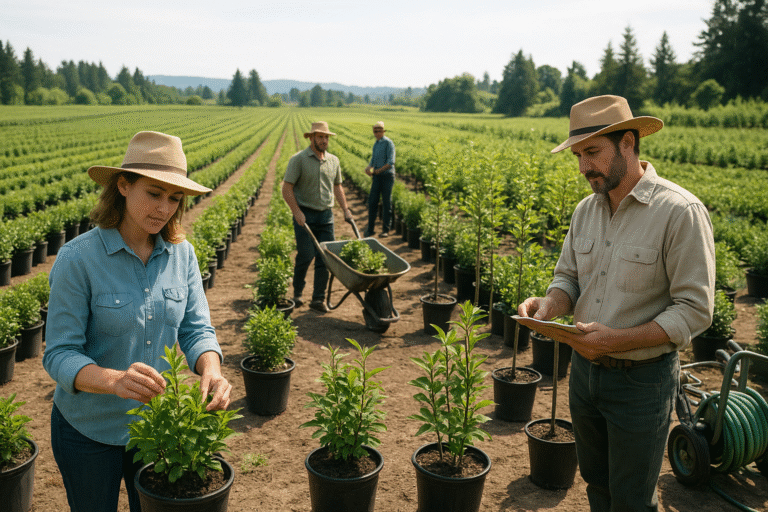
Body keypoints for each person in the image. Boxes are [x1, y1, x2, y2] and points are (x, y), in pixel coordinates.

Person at [516, 95, 714, 512]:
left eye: (592, 152)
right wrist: (548, 306)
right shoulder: (586, 210)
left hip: (641, 383)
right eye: (578, 155)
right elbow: (568, 278)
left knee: (632, 500)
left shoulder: (679, 212)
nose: (584, 166)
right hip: (585, 377)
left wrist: (618, 340)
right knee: (597, 484)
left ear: (628, 142)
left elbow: (694, 309)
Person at [42, 131, 233, 512]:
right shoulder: (78, 259)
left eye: (175, 198)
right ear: (124, 186)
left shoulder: (182, 255)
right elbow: (59, 353)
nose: (164, 208)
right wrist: (114, 380)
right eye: (154, 193)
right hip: (88, 429)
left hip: (155, 428)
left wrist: (211, 369)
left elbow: (196, 328)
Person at [282, 121, 352, 313]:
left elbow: (338, 187)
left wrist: (345, 209)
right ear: (311, 138)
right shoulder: (298, 159)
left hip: (326, 216)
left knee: (325, 258)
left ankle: (318, 298)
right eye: (320, 137)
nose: (324, 140)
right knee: (306, 255)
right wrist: (297, 212)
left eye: (326, 137)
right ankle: (297, 292)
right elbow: (286, 188)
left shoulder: (333, 161)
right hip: (305, 215)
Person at [364, 121, 396, 237]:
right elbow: (373, 160)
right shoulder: (376, 144)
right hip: (377, 176)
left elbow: (391, 162)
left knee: (387, 202)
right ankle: (370, 229)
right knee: (372, 202)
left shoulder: (389, 143)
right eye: (375, 131)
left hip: (387, 176)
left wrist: (378, 171)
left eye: (379, 131)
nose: (376, 133)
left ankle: (386, 230)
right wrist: (369, 168)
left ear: (383, 131)